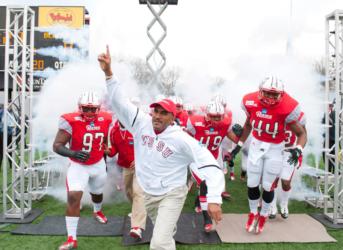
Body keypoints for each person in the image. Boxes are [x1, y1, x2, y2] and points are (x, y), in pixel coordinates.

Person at [98, 46, 224, 250]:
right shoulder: (141, 123)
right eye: (156, 111)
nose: (157, 116)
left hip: (171, 193)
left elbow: (209, 164)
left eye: (163, 113)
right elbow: (119, 102)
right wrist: (109, 74)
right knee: (164, 234)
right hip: (148, 191)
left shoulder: (182, 139)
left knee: (158, 242)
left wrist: (214, 198)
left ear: (173, 117)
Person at [228, 76, 307, 234]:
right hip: (257, 146)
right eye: (267, 93)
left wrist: (298, 149)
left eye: (274, 94)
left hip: (275, 149)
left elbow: (301, 133)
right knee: (252, 183)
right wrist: (239, 145)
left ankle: (263, 215)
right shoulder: (250, 102)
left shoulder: (287, 107)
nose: (271, 98)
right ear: (260, 91)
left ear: (281, 94)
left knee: (267, 186)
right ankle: (253, 213)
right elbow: (249, 124)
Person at [53, 92, 112, 250]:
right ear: (80, 108)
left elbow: (104, 137)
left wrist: (104, 150)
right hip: (78, 165)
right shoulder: (70, 121)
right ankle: (72, 238)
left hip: (98, 163)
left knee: (97, 193)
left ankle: (97, 211)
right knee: (73, 197)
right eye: (86, 109)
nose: (90, 113)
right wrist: (72, 153)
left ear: (99, 109)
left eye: (93, 109)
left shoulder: (106, 118)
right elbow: (57, 145)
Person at [186, 100, 241, 232]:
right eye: (213, 116)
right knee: (204, 184)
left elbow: (236, 139)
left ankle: (202, 208)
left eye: (218, 117)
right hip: (198, 158)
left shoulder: (226, 123)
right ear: (206, 114)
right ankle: (207, 218)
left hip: (214, 158)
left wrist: (241, 133)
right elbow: (186, 139)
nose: (216, 120)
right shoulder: (194, 122)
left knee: (207, 185)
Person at [106, 120, 147, 239]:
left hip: (141, 167)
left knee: (138, 192)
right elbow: (113, 150)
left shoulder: (139, 129)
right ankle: (138, 210)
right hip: (126, 167)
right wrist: (107, 151)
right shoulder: (114, 131)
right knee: (128, 192)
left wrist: (140, 160)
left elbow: (148, 147)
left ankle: (137, 227)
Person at [269, 111, 307, 219]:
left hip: (289, 152)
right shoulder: (273, 114)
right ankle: (272, 206)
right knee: (272, 181)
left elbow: (304, 136)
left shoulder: (298, 117)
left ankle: (284, 204)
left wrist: (299, 150)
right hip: (274, 151)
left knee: (286, 182)